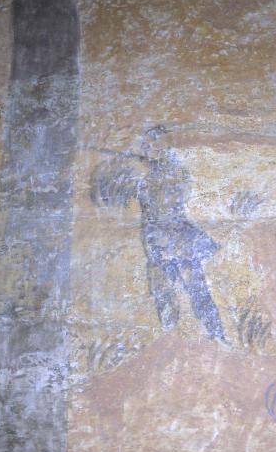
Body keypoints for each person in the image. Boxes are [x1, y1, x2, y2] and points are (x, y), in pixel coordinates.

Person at [91, 125, 225, 341]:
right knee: (162, 290)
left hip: (179, 239)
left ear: (163, 145)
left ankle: (215, 333)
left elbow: (172, 198)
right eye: (146, 144)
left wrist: (148, 178)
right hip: (156, 241)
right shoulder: (147, 172)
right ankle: (169, 336)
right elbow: (126, 192)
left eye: (153, 143)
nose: (147, 148)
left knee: (196, 287)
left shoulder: (174, 171)